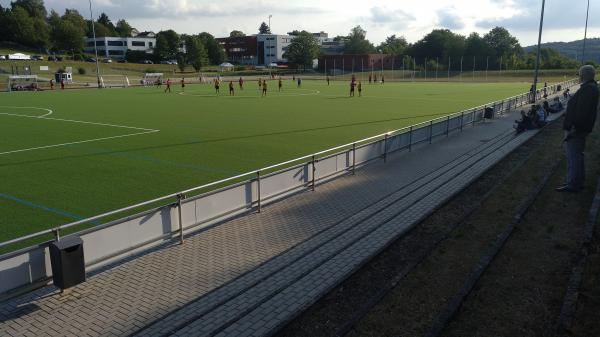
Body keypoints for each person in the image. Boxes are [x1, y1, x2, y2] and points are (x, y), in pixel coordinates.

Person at [556, 65, 599, 193]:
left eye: (579, 75)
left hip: (576, 130)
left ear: (583, 75)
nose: (578, 77)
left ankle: (573, 184)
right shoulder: (590, 88)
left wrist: (574, 129)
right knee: (576, 156)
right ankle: (575, 181)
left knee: (574, 157)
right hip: (579, 128)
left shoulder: (588, 89)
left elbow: (582, 112)